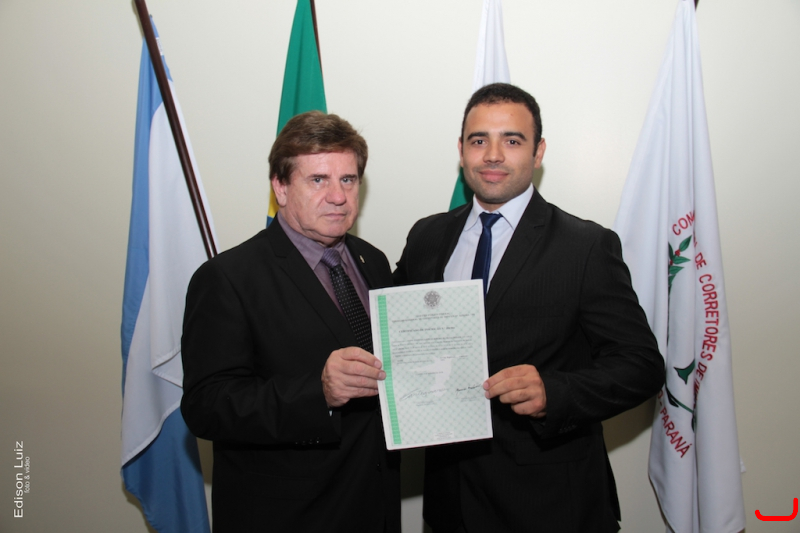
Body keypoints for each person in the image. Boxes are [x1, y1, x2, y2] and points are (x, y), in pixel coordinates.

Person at [393, 83, 665, 533]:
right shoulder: (427, 236)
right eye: (479, 140)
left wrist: (554, 393)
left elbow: (642, 367)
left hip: (551, 506)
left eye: (512, 140)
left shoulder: (585, 246)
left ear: (538, 152)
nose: (493, 155)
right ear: (461, 151)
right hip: (449, 502)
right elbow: (401, 339)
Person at [181, 111, 400, 532]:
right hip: (287, 516)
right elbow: (206, 406)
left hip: (375, 505)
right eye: (318, 180)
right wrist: (319, 392)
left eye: (348, 179)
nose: (338, 196)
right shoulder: (228, 278)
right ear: (280, 188)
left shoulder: (372, 260)